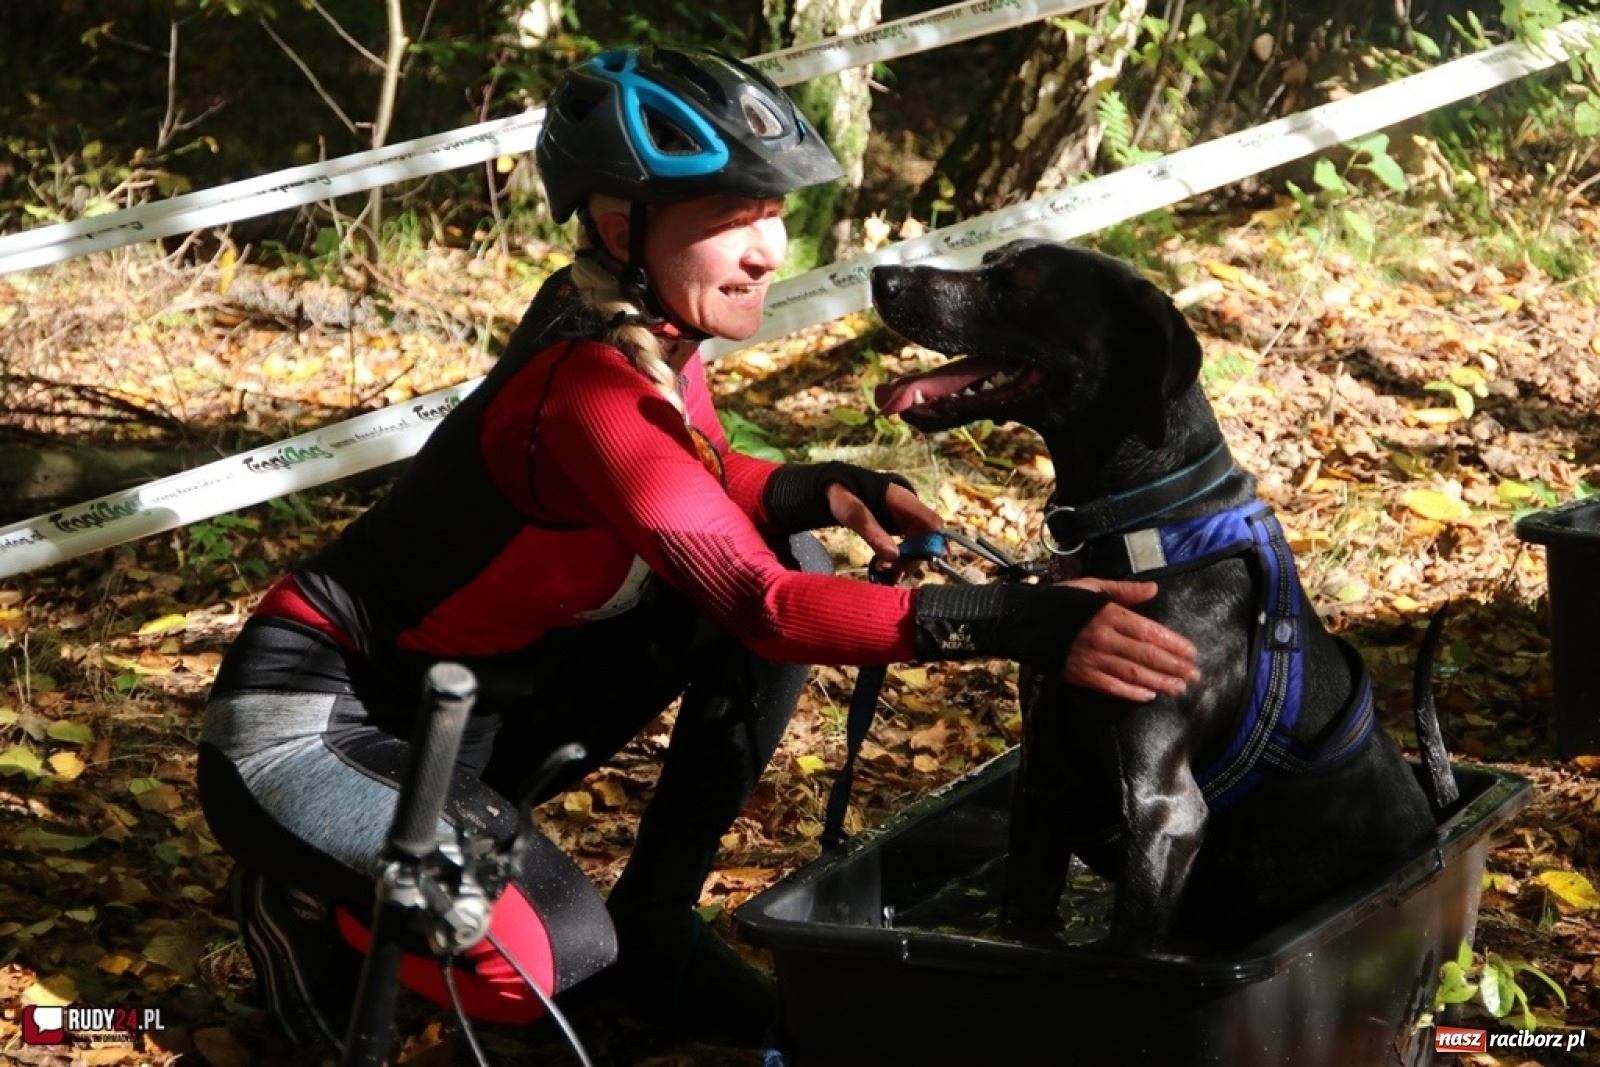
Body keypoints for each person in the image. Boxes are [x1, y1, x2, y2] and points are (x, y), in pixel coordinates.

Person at [197, 44, 1201, 1053]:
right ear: (620, 227)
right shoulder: (587, 380)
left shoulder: (644, 328)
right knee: (547, 960)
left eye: (771, 213)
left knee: (796, 550)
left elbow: (695, 477)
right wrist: (1023, 621)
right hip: (318, 717)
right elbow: (760, 604)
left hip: (476, 702)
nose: (768, 250)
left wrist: (817, 484)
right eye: (731, 217)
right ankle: (311, 905)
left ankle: (655, 920)